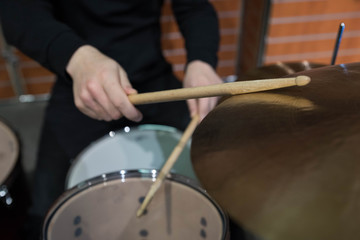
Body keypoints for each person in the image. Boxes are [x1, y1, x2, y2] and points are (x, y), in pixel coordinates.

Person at [0, 0, 221, 238]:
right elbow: (17, 12)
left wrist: (201, 61)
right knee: (43, 215)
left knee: (224, 194)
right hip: (77, 84)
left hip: (153, 80)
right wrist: (77, 58)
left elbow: (194, 7)